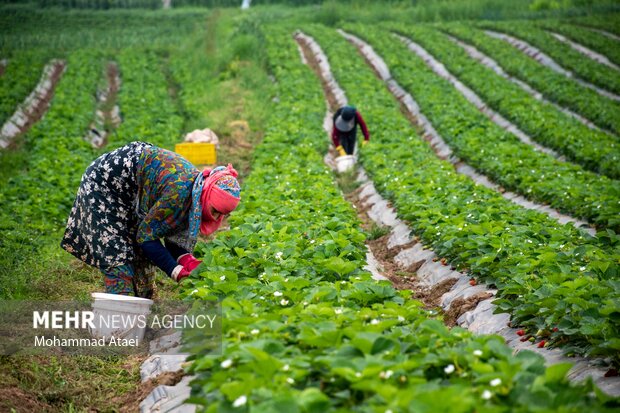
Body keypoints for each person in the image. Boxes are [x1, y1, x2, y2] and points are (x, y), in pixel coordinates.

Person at [61, 141, 241, 298]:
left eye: (222, 215)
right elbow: (146, 236)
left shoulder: (196, 190)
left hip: (131, 193)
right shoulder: (179, 192)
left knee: (143, 261)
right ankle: (116, 328)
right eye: (215, 210)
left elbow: (166, 228)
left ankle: (142, 316)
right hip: (105, 186)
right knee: (118, 259)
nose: (217, 217)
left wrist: (187, 260)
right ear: (208, 195)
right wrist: (175, 271)